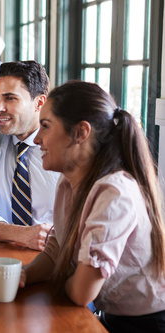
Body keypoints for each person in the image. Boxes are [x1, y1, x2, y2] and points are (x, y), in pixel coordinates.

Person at [21, 80, 165, 332]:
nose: (36, 139)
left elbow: (82, 293)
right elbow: (55, 252)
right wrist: (22, 275)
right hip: (113, 316)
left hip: (147, 325)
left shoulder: (115, 192)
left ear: (81, 132)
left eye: (45, 126)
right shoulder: (68, 179)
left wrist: (61, 278)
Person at [0, 61, 60, 251]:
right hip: (7, 254)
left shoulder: (65, 148)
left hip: (59, 255)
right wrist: (21, 234)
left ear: (39, 102)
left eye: (10, 98)